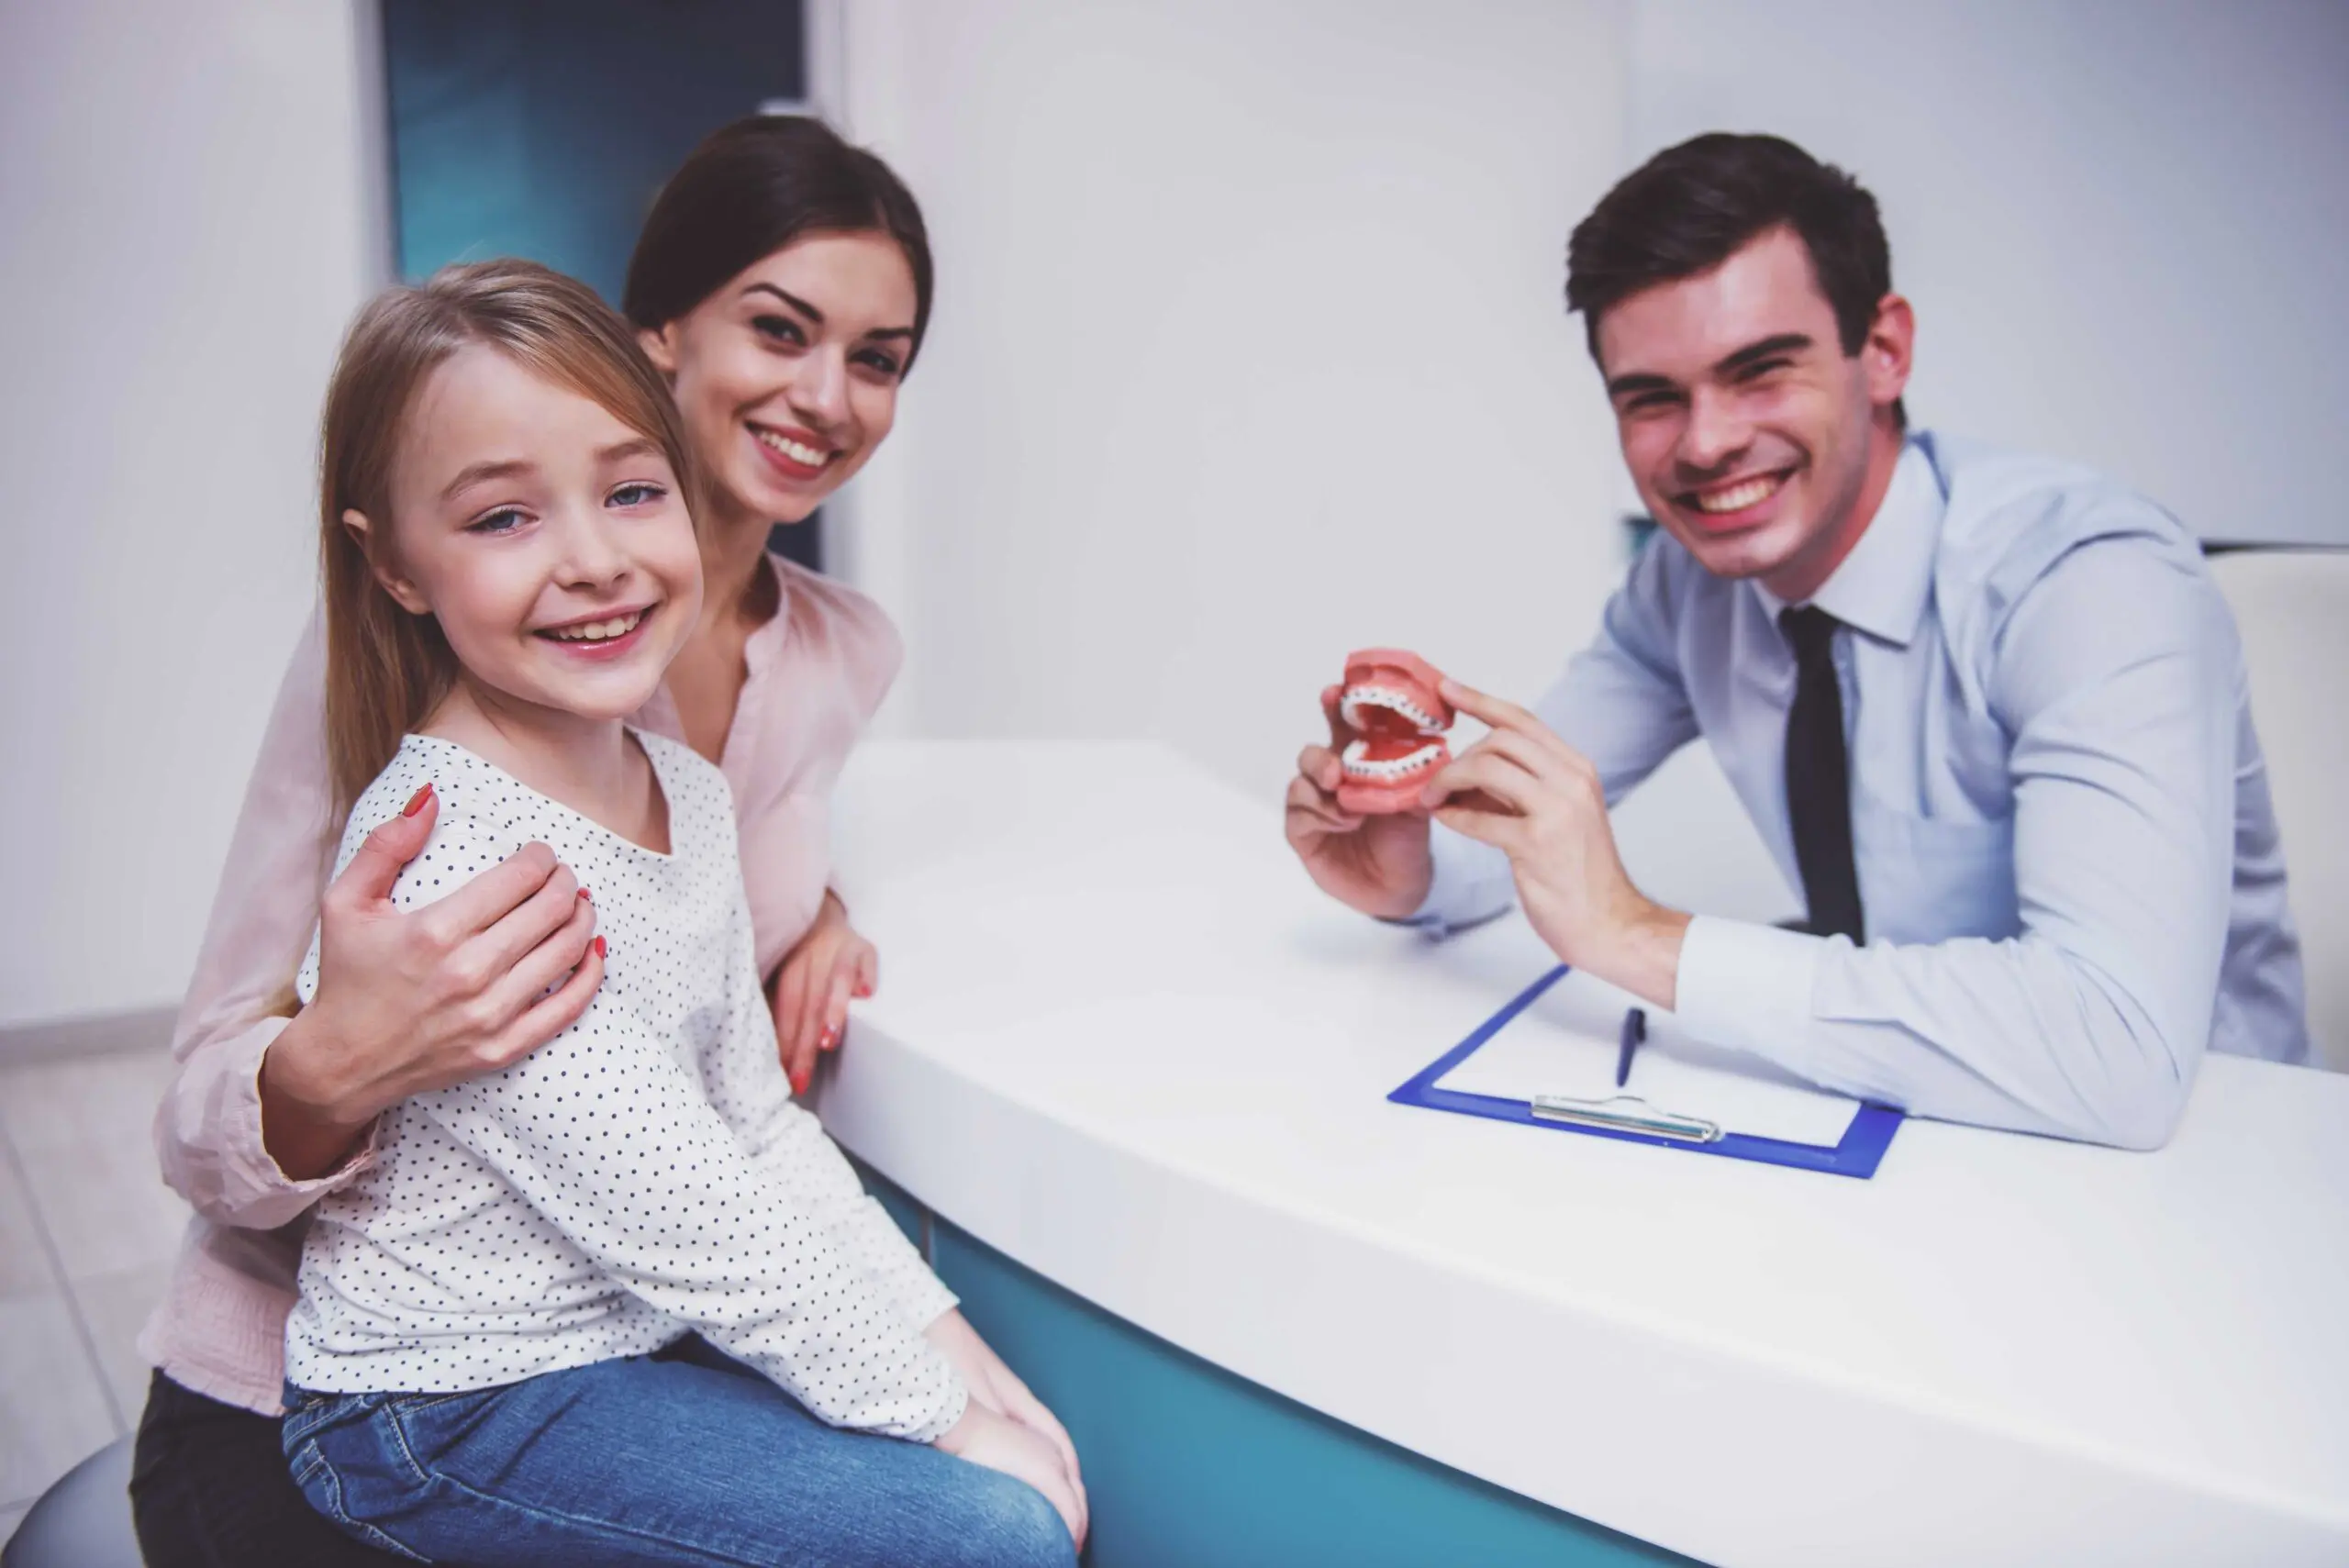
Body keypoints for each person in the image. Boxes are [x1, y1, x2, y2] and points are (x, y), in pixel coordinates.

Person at [135, 118, 1079, 1565]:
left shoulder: (758, 714)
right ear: (658, 338)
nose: (825, 394)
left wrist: (812, 906)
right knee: (980, 1524)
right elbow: (675, 1188)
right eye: (780, 327)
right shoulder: (444, 792)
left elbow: (730, 1072)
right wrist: (328, 1063)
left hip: (619, 1333)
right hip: (372, 1393)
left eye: (878, 356)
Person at [1285, 133, 2308, 1151]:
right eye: (1652, 396)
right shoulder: (1685, 584)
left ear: (1885, 351)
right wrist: (1407, 863)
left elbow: (2115, 1053)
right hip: (1904, 1121)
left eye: (1759, 370)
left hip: (2191, 1163)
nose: (1704, 442)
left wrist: (1638, 934)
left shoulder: (2088, 583)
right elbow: (1520, 817)